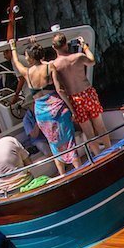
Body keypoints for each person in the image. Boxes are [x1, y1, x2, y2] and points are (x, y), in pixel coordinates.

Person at [8, 41, 81, 175]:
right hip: (57, 108)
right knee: (69, 142)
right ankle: (80, 170)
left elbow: (17, 62)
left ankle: (63, 175)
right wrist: (72, 109)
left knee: (53, 144)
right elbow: (60, 90)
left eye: (27, 56)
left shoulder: (27, 73)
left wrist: (13, 48)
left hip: (42, 113)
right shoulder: (50, 67)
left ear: (30, 58)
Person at [51, 32, 108, 155]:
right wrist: (85, 46)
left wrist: (71, 108)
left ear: (54, 47)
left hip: (75, 99)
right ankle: (111, 150)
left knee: (88, 133)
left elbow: (59, 89)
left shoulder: (54, 65)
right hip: (88, 94)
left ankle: (98, 156)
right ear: (66, 44)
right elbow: (92, 61)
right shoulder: (78, 57)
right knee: (100, 126)